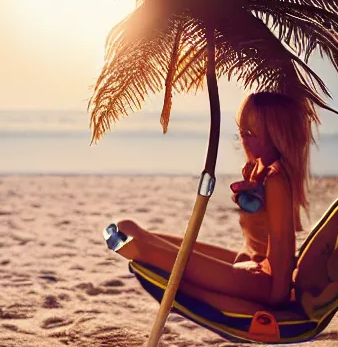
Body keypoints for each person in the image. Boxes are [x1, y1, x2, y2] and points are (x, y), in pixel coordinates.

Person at [114, 92, 319, 307]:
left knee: (141, 248)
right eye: (242, 131)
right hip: (249, 260)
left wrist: (278, 299)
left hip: (265, 280)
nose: (244, 138)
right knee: (128, 227)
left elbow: (282, 243)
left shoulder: (276, 180)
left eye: (252, 133)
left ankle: (137, 250)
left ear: (276, 134)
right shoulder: (260, 170)